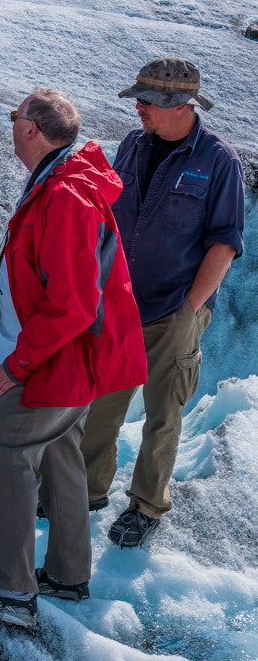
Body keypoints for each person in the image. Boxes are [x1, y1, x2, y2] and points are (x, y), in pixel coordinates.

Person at [0, 87, 147, 628]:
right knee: (59, 452)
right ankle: (67, 577)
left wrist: (17, 364)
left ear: (31, 129)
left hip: (58, 360)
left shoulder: (66, 195)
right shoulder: (60, 184)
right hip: (70, 359)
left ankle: (9, 593)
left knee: (5, 442)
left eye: (15, 117)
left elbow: (74, 305)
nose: (11, 125)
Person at [81, 57, 245, 548]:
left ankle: (146, 505)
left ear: (178, 106)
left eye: (146, 100)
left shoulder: (219, 161)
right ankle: (87, 491)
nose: (138, 107)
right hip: (119, 302)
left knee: (163, 413)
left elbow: (225, 243)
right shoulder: (131, 144)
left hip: (176, 308)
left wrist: (189, 311)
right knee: (101, 405)